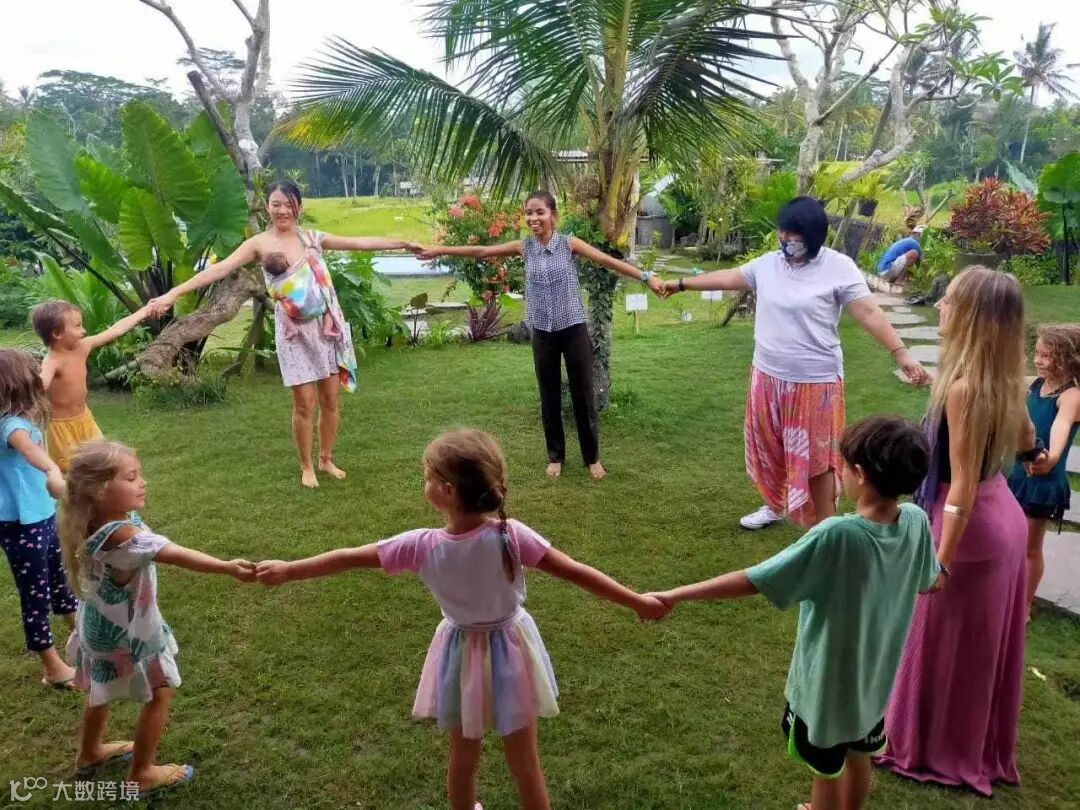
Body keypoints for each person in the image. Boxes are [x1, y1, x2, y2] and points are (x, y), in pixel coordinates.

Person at [255, 429, 666, 810]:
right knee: (525, 762)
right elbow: (576, 572)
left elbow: (348, 558)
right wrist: (635, 601)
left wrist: (289, 570)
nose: (424, 482)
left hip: (459, 655)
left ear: (447, 492)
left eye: (427, 477)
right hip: (514, 651)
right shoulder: (510, 534)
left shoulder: (420, 545)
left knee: (464, 758)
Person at [647, 415, 939, 810]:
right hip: (875, 684)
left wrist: (677, 594)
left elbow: (756, 579)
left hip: (824, 693)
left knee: (825, 768)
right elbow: (930, 581)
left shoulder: (838, 536)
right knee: (860, 754)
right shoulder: (917, 522)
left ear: (860, 474)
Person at [663, 197, 929, 530]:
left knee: (816, 460)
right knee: (770, 448)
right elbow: (730, 276)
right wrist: (680, 284)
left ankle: (826, 529)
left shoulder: (838, 267)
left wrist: (900, 352)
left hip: (814, 384)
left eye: (792, 234)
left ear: (813, 235)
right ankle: (775, 505)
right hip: (766, 377)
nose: (784, 238)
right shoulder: (768, 265)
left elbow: (868, 311)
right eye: (782, 231)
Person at [878, 267, 1038, 797]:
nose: (940, 306)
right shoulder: (1004, 378)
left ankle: (932, 748)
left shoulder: (966, 389)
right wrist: (1035, 454)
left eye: (948, 300)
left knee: (939, 647)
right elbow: (1027, 439)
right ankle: (970, 743)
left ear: (971, 317)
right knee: (977, 649)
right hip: (1004, 518)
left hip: (968, 532)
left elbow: (962, 483)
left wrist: (940, 560)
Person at [145, 180, 414, 488]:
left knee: (330, 400)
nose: (282, 210)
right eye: (276, 204)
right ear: (267, 207)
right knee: (304, 403)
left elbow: (359, 243)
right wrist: (172, 294)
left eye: (289, 204)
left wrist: (403, 244)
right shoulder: (258, 244)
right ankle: (307, 466)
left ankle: (326, 459)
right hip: (293, 333)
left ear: (299, 207)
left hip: (326, 327)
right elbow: (218, 270)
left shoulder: (312, 238)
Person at [412, 191, 667, 480]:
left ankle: (592, 458)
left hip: (573, 328)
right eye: (529, 213)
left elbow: (608, 261)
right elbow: (482, 251)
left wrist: (647, 278)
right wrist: (437, 250)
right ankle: (555, 456)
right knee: (549, 395)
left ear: (553, 215)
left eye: (540, 212)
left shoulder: (569, 244)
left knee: (583, 394)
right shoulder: (525, 248)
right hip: (543, 331)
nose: (533, 218)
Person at [60, 440, 255, 797]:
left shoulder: (85, 515)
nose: (143, 482)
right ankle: (142, 774)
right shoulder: (125, 536)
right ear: (100, 491)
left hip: (96, 627)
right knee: (161, 691)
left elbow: (58, 483)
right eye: (132, 477)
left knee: (99, 690)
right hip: (128, 634)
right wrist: (227, 567)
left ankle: (89, 753)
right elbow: (175, 553)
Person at [0, 349, 78, 688]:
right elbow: (32, 453)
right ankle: (53, 667)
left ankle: (81, 632)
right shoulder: (11, 426)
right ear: (19, 385)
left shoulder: (20, 418)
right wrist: (52, 469)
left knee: (59, 576)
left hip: (41, 514)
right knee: (36, 594)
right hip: (21, 523)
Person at [1006, 324, 1080, 620]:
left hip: (1041, 482)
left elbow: (1062, 423)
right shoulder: (1036, 385)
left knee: (1029, 549)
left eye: (1047, 356)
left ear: (1069, 360)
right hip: (1014, 475)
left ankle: (1023, 606)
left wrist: (1054, 456)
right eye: (1037, 353)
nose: (1038, 360)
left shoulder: (1071, 395)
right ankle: (1006, 593)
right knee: (1008, 539)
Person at [32, 299, 151, 472]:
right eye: (77, 326)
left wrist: (144, 311)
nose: (83, 330)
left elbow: (115, 330)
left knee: (101, 461)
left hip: (85, 419)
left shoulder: (83, 346)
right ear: (57, 333)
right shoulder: (52, 361)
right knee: (70, 471)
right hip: (60, 428)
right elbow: (41, 384)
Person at [261, 250, 340, 342]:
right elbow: (310, 263)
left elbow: (275, 297)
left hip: (296, 313)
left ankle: (292, 329)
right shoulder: (300, 270)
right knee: (328, 310)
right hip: (318, 307)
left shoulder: (274, 285)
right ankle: (327, 328)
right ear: (288, 263)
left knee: (281, 310)